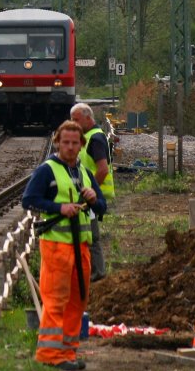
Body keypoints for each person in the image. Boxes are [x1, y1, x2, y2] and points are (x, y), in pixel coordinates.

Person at [22, 120, 106, 370]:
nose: (70, 147)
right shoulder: (47, 171)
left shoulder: (84, 173)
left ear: (81, 145)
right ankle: (50, 353)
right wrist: (59, 208)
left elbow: (102, 207)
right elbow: (28, 200)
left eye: (75, 143)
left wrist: (93, 198)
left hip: (81, 248)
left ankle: (68, 352)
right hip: (57, 247)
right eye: (65, 142)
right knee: (56, 300)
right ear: (57, 143)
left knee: (77, 301)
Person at [70, 102, 114, 281]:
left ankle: (97, 273)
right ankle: (91, 271)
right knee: (87, 235)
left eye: (76, 120)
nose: (73, 123)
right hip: (89, 196)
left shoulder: (95, 138)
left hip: (92, 197)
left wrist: (91, 191)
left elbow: (102, 169)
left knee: (92, 237)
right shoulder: (88, 135)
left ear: (88, 118)